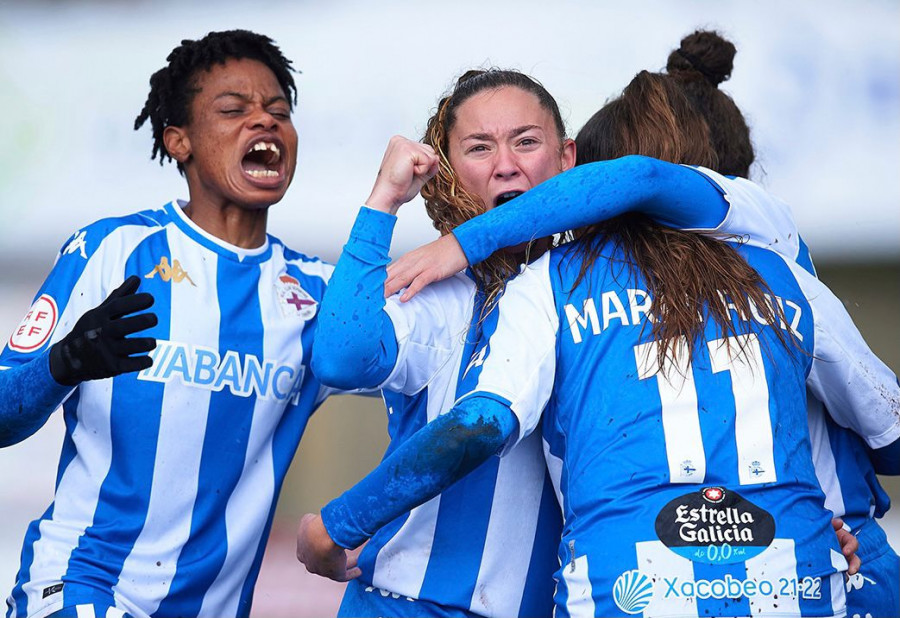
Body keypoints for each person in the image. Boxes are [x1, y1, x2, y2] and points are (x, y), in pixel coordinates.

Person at [298, 68, 899, 618]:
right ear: (448, 170)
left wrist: (832, 519)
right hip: (416, 604)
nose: (506, 164)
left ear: (573, 166)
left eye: (526, 142)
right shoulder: (442, 292)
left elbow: (485, 421)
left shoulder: (555, 281)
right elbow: (342, 356)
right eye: (479, 148)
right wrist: (383, 202)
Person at [0, 29, 340, 618]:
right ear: (177, 140)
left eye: (279, 111)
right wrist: (62, 364)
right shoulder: (112, 249)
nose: (264, 122)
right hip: (83, 585)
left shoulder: (318, 294)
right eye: (233, 110)